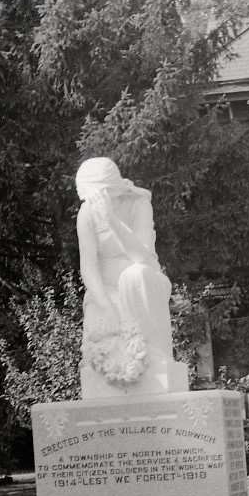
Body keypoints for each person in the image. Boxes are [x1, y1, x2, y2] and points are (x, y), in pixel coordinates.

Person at [75, 157, 177, 387]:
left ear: (108, 189)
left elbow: (143, 258)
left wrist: (111, 220)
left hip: (145, 283)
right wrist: (105, 305)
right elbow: (88, 266)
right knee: (98, 311)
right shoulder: (87, 212)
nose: (89, 201)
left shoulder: (138, 204)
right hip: (106, 291)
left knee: (135, 275)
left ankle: (154, 357)